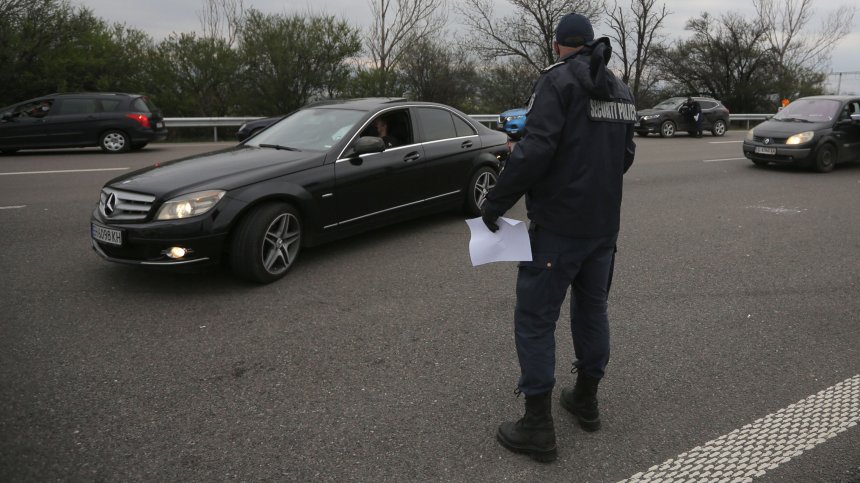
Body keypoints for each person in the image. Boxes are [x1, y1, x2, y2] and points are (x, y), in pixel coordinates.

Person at [480, 12, 636, 463]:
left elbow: (534, 151)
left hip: (559, 228)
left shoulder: (557, 82)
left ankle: (537, 426)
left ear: (557, 45)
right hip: (604, 229)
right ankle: (585, 399)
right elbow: (624, 155)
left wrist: (494, 204)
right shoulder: (620, 89)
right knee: (592, 310)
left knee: (535, 319)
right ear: (589, 44)